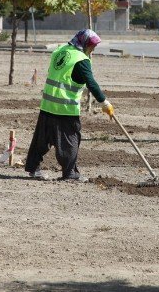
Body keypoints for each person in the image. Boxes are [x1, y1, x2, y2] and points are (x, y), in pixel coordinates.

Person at [24, 29, 114, 182]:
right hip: (66, 108)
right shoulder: (81, 60)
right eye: (92, 46)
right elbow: (90, 83)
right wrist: (104, 102)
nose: (93, 49)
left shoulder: (60, 51)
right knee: (70, 141)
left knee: (41, 139)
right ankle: (70, 173)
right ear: (85, 43)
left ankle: (33, 168)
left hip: (48, 105)